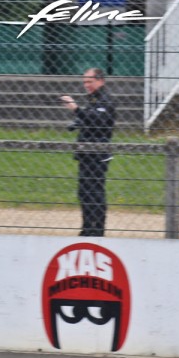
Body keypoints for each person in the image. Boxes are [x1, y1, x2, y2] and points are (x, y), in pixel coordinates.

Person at [61, 68, 116, 237]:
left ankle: (97, 231)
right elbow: (90, 117)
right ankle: (87, 228)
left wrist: (76, 109)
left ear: (100, 81)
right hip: (86, 154)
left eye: (90, 82)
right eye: (84, 82)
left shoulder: (106, 99)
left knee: (95, 193)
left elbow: (98, 120)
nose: (86, 85)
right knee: (84, 193)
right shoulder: (93, 99)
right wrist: (77, 122)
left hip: (98, 155)